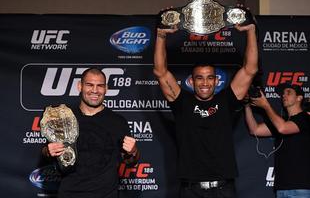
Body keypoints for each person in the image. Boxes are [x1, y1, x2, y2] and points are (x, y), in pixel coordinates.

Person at [154, 17, 258, 197]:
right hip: (190, 190)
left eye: (210, 77)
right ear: (191, 81)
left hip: (223, 189)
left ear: (216, 80)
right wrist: (161, 36)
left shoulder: (227, 100)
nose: (205, 83)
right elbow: (161, 72)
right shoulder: (182, 103)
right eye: (199, 78)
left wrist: (250, 32)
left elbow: (250, 70)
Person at [42, 68, 140, 198]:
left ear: (106, 89)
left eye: (100, 86)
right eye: (89, 85)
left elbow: (131, 162)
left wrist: (133, 152)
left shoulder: (118, 122)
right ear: (79, 86)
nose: (95, 90)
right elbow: (45, 152)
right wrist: (48, 151)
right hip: (70, 194)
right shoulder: (64, 118)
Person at [244, 83, 310, 198]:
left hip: (301, 188)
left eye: (288, 92)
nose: (284, 95)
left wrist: (266, 105)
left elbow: (283, 128)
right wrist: (247, 106)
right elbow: (255, 130)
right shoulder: (281, 120)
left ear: (299, 98)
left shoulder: (305, 118)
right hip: (282, 188)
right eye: (283, 93)